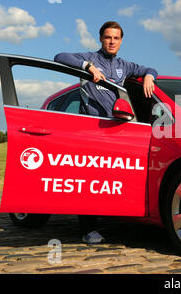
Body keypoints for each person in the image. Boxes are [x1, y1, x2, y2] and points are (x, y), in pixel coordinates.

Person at [54, 21, 158, 244]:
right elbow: (59, 56)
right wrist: (87, 66)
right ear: (101, 39)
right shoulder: (90, 57)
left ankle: (117, 219)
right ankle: (88, 229)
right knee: (90, 181)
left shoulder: (124, 65)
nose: (112, 42)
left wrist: (149, 76)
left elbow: (149, 69)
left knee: (111, 180)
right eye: (108, 37)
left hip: (115, 128)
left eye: (116, 38)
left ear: (121, 41)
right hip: (90, 128)